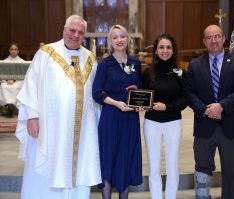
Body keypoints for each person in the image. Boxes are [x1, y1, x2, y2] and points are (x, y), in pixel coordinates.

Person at [15, 15, 101, 199]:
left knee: (78, 170)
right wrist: (31, 116)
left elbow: (97, 92)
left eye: (80, 32)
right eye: (72, 30)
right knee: (47, 167)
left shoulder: (90, 58)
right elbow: (31, 85)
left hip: (82, 130)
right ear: (64, 29)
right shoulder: (46, 53)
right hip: (50, 127)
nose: (76, 35)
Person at [186, 24, 234, 199]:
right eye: (209, 37)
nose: (213, 40)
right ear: (204, 41)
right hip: (204, 125)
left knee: (231, 171)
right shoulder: (195, 65)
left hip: (231, 124)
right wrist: (206, 110)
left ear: (223, 39)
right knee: (202, 168)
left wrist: (221, 106)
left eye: (217, 36)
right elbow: (189, 93)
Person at [92, 24, 143, 199]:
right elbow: (97, 93)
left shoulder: (136, 63)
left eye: (122, 36)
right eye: (115, 37)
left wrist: (138, 92)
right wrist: (117, 103)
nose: (119, 40)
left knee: (126, 159)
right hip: (111, 118)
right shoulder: (104, 64)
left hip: (130, 119)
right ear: (110, 41)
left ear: (127, 39)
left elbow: (141, 89)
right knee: (109, 158)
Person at [141, 33, 187, 199]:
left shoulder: (180, 72)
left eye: (168, 47)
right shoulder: (147, 72)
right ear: (156, 50)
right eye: (161, 47)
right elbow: (142, 96)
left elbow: (185, 99)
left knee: (172, 165)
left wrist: (167, 107)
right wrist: (136, 98)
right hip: (151, 123)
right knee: (154, 165)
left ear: (173, 50)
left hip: (173, 122)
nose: (165, 50)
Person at [0, 43, 25, 116]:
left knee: (16, 87)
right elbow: (2, 74)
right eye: (12, 49)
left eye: (15, 49)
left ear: (18, 51)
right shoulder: (4, 62)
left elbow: (23, 75)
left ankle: (12, 107)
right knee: (4, 86)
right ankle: (8, 106)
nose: (14, 51)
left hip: (18, 82)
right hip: (6, 81)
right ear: (9, 50)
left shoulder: (22, 62)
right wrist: (7, 80)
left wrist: (14, 81)